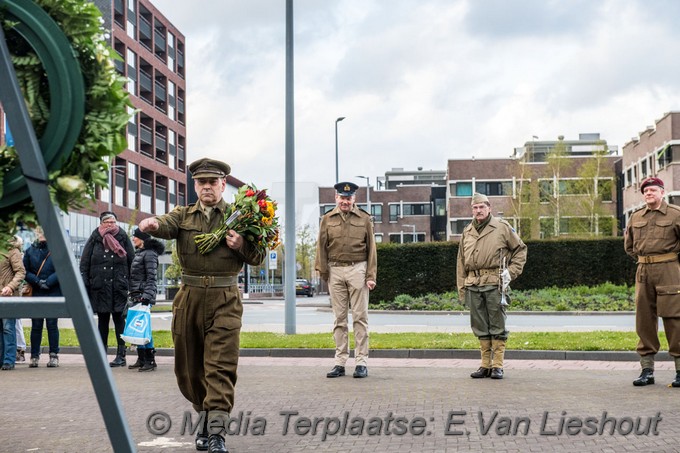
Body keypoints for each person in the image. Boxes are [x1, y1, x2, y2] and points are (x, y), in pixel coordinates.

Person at [139, 157, 265, 453]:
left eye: (213, 182)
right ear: (195, 185)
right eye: (201, 182)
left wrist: (241, 246)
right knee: (189, 369)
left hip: (225, 299)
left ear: (223, 184)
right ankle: (205, 417)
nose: (207, 187)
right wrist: (153, 224)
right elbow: (166, 225)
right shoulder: (183, 215)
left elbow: (258, 256)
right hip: (189, 298)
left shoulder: (239, 216)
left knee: (220, 367)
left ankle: (217, 434)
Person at [456, 193, 527, 380]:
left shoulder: (501, 227)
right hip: (473, 284)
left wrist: (510, 273)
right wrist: (462, 289)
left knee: (497, 325)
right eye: (475, 207)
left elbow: (520, 250)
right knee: (480, 326)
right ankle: (485, 365)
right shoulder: (467, 231)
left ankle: (498, 365)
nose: (478, 211)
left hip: (495, 283)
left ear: (489, 208)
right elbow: (461, 262)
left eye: (482, 207)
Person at [315, 181, 377, 380]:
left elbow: (372, 250)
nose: (345, 201)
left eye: (348, 198)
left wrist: (370, 276)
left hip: (358, 268)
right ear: (336, 198)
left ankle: (361, 362)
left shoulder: (365, 219)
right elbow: (321, 247)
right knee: (339, 320)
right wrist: (324, 273)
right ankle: (340, 362)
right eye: (342, 198)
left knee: (360, 317)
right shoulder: (327, 219)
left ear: (354, 199)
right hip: (335, 270)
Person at [624, 177, 680, 388]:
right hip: (643, 271)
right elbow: (629, 247)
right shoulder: (636, 217)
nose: (649, 193)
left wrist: (674, 266)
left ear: (662, 193)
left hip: (669, 270)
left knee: (674, 319)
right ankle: (647, 370)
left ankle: (679, 370)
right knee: (644, 320)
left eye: (653, 190)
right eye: (646, 191)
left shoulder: (675, 214)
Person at [79, 211, 134, 367]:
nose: (111, 224)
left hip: (118, 287)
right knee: (102, 321)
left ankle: (121, 356)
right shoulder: (94, 238)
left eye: (113, 222)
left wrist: (132, 284)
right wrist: (85, 284)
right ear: (101, 223)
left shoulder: (123, 237)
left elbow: (132, 262)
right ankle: (101, 355)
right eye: (107, 222)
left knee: (119, 321)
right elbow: (84, 264)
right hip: (100, 288)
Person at [127, 228, 165, 372]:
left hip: (143, 296)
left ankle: (149, 360)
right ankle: (142, 358)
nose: (133, 239)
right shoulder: (141, 253)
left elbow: (151, 277)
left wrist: (146, 297)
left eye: (135, 237)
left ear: (142, 239)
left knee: (144, 328)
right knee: (139, 328)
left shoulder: (149, 254)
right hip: (137, 295)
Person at [23, 226, 61, 368]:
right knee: (36, 326)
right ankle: (34, 356)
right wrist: (37, 281)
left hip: (53, 291)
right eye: (40, 233)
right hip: (37, 291)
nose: (42, 236)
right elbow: (25, 271)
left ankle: (54, 355)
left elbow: (61, 268)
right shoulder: (30, 250)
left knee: (52, 325)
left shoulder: (57, 250)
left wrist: (49, 282)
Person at [0, 235, 26, 370]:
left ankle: (9, 360)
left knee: (8, 328)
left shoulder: (12, 250)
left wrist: (10, 286)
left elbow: (21, 272)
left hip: (8, 296)